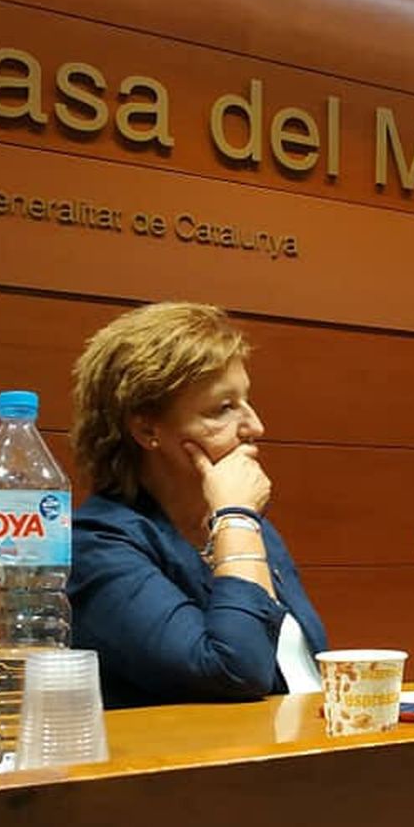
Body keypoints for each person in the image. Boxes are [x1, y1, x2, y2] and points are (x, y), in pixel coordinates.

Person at [69, 302, 327, 706]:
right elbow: (236, 673)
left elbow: (300, 675)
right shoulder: (97, 545)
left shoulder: (248, 524)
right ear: (147, 429)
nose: (255, 427)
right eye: (223, 409)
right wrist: (237, 521)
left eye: (246, 401)